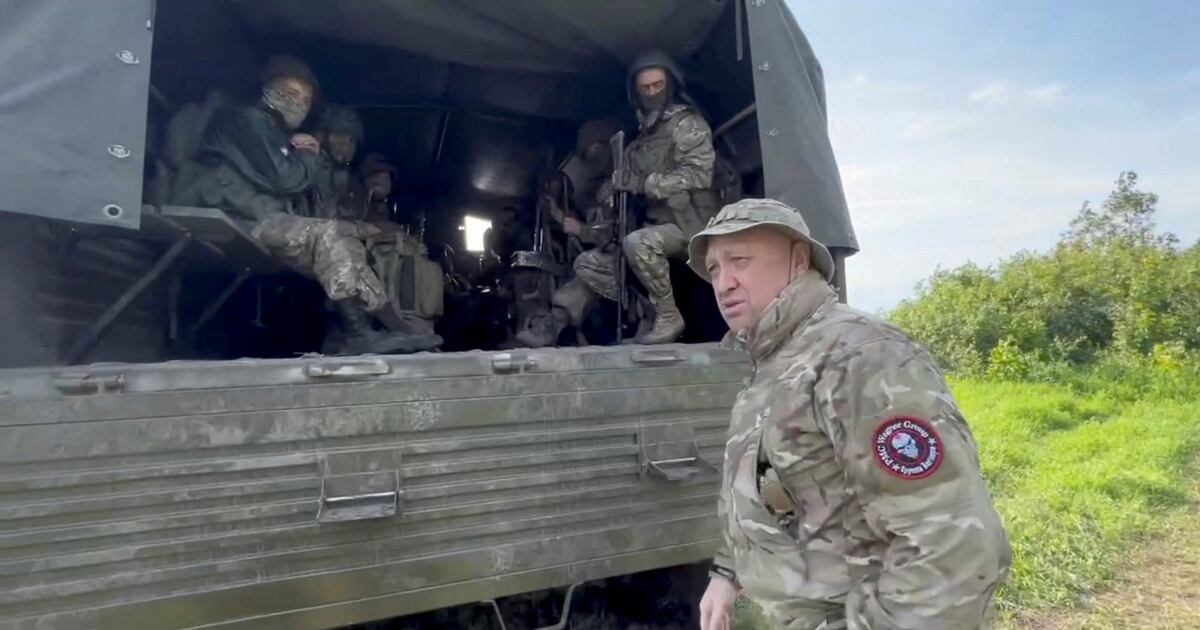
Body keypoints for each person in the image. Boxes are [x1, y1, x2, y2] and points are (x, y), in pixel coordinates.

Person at [689, 198, 1012, 630]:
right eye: (714, 269)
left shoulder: (860, 356)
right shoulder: (774, 361)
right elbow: (769, 486)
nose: (723, 283)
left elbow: (951, 548)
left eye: (740, 261)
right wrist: (727, 573)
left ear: (798, 259)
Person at [171, 56, 438, 355]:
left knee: (340, 240)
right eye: (289, 92)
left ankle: (393, 329)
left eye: (305, 99)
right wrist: (308, 153)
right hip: (235, 213)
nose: (297, 103)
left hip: (255, 216)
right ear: (267, 89)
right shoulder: (246, 120)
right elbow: (287, 179)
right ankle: (363, 333)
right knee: (330, 235)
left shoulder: (272, 132)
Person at [611, 50, 720, 344]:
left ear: (670, 85)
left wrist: (644, 184)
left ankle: (669, 316)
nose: (652, 93)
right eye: (645, 88)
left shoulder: (686, 123)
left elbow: (698, 174)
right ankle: (646, 316)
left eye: (658, 86)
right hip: (657, 222)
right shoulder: (640, 138)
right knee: (612, 258)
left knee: (638, 244)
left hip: (691, 223)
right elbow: (629, 179)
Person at [514, 119, 622, 347]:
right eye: (588, 156)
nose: (594, 161)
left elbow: (614, 233)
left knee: (587, 265)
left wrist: (580, 229)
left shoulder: (625, 186)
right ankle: (551, 325)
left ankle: (553, 326)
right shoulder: (600, 190)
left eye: (596, 152)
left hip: (627, 258)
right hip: (609, 259)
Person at [308, 104, 366, 219]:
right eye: (339, 136)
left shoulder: (349, 175)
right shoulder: (306, 168)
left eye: (351, 139)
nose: (345, 143)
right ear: (320, 137)